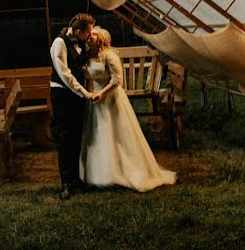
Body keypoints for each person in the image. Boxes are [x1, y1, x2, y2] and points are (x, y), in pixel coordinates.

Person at [79, 26, 176, 192]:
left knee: (115, 134)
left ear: (101, 38)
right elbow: (88, 78)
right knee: (97, 134)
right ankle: (99, 173)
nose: (90, 36)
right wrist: (89, 93)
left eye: (94, 34)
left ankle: (120, 172)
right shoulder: (88, 57)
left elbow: (117, 80)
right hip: (94, 100)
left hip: (110, 98)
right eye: (89, 34)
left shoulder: (109, 56)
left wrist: (101, 94)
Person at [49, 12, 96, 200]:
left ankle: (76, 179)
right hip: (63, 94)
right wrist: (84, 93)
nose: (89, 36)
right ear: (77, 30)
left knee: (77, 136)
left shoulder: (81, 42)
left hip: (77, 95)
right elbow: (65, 74)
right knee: (65, 138)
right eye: (87, 33)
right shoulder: (59, 43)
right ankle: (65, 183)